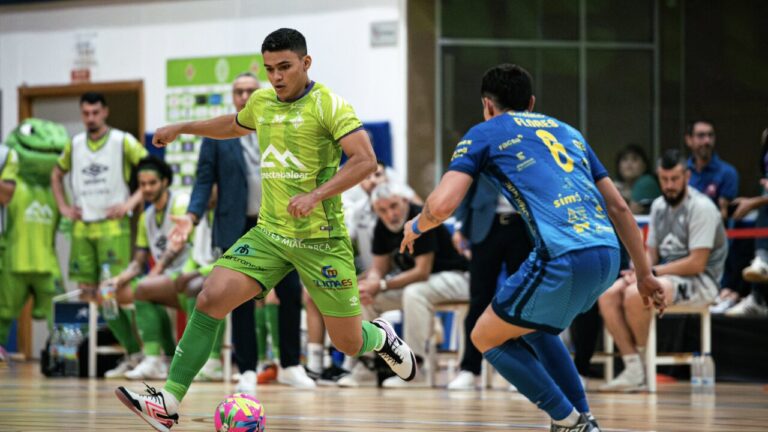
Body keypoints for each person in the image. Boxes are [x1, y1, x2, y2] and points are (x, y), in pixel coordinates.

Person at [116, 28, 416, 431]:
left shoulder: (329, 105)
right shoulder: (261, 102)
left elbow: (365, 160)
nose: (276, 76)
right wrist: (182, 127)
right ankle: (167, 402)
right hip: (270, 234)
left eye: (284, 67)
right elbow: (232, 125)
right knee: (210, 297)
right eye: (269, 68)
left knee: (347, 341)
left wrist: (316, 195)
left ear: (306, 63)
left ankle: (380, 338)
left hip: (321, 240)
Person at [399, 64, 665, 431]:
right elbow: (619, 207)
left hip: (563, 255)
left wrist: (415, 225)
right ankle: (583, 418)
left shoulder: (484, 133)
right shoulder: (568, 131)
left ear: (487, 104)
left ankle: (568, 420)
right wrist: (645, 274)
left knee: (484, 336)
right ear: (532, 102)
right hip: (607, 253)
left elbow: (443, 206)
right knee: (533, 327)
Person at [177, 71, 310, 392]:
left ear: (260, 93)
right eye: (238, 91)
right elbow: (203, 181)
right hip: (237, 225)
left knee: (291, 291)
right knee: (239, 298)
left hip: (279, 223)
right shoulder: (218, 136)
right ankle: (247, 368)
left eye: (250, 90)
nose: (244, 96)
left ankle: (290, 364)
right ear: (233, 97)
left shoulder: (278, 125)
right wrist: (191, 216)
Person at [598, 149, 727, 392]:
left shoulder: (702, 207)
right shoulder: (658, 205)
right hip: (665, 274)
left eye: (675, 179)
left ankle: (644, 363)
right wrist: (639, 270)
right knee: (608, 294)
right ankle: (633, 367)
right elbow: (651, 253)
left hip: (701, 281)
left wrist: (651, 273)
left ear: (687, 176)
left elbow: (696, 263)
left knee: (636, 294)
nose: (669, 186)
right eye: (664, 179)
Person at [51, 93, 146, 378]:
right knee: (90, 295)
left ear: (105, 112)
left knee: (112, 293)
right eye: (86, 113)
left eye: (95, 112)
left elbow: (150, 169)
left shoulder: (122, 141)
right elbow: (56, 174)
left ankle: (137, 352)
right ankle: (124, 353)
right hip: (82, 228)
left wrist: (130, 203)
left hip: (112, 228)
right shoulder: (75, 144)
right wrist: (63, 207)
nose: (90, 118)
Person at [343, 182, 469, 388]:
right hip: (423, 284)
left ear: (404, 201)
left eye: (394, 206)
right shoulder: (382, 226)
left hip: (455, 276)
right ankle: (367, 367)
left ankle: (415, 369)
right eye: (382, 210)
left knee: (414, 292)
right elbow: (379, 267)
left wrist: (381, 284)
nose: (390, 214)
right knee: (365, 297)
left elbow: (421, 272)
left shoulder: (421, 218)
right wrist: (370, 283)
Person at [107, 156, 193, 380]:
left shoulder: (180, 202)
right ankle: (135, 355)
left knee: (145, 288)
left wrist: (154, 273)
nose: (146, 188)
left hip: (189, 273)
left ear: (165, 181)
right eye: (142, 184)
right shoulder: (146, 217)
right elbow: (139, 260)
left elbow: (177, 244)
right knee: (107, 293)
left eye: (152, 183)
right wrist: (120, 278)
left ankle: (157, 358)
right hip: (164, 279)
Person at [446, 173, 532, 390]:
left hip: (523, 226)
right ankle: (469, 369)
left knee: (522, 300)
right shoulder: (483, 150)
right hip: (485, 226)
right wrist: (460, 226)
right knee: (479, 299)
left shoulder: (531, 151)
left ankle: (523, 371)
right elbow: (466, 183)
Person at [685, 119, 738, 218]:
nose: (707, 141)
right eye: (701, 136)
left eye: (710, 135)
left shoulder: (727, 172)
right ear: (689, 140)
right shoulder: (681, 172)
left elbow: (723, 214)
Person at [614, 144, 661, 215]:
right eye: (625, 159)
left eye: (635, 159)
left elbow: (631, 213)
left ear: (644, 165)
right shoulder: (618, 186)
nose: (629, 163)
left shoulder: (647, 181)